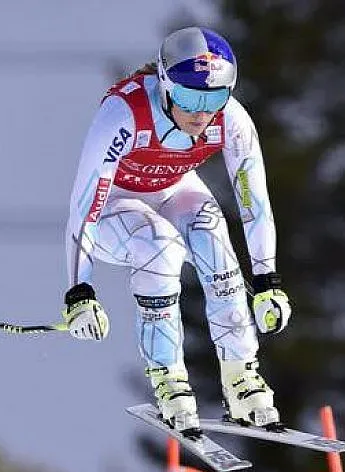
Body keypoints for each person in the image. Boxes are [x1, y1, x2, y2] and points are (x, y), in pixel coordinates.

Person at [61, 26, 291, 433]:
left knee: (212, 235)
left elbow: (254, 203)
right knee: (159, 246)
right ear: (165, 84)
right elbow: (85, 204)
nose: (201, 114)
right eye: (188, 98)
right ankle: (169, 378)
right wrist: (80, 291)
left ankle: (240, 376)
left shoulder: (232, 120)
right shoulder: (124, 113)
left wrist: (267, 279)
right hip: (116, 202)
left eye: (215, 98)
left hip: (173, 187)